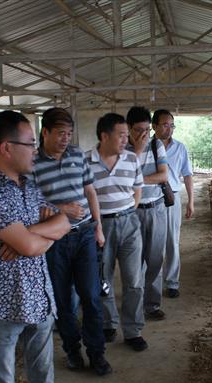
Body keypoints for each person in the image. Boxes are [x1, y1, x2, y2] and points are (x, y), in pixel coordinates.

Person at [0, 110, 71, 383]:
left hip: (38, 296)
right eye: (30, 143)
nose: (36, 150)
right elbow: (31, 247)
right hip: (1, 304)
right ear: (6, 148)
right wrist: (39, 237)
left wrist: (31, 233)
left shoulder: (31, 186)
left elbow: (65, 222)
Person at [31, 107, 111, 375]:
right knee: (64, 299)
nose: (65, 139)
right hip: (54, 240)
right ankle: (73, 351)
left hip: (84, 233)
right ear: (45, 132)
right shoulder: (32, 163)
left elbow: (90, 191)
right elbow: (30, 204)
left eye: (69, 133)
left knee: (91, 295)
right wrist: (61, 208)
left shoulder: (77, 155)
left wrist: (98, 227)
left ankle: (97, 353)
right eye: (60, 133)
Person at [87, 113, 148, 351]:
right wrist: (97, 223)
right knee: (103, 278)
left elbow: (137, 189)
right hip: (100, 226)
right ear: (104, 136)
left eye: (126, 135)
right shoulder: (85, 161)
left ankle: (133, 330)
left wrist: (127, 213)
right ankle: (108, 323)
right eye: (121, 135)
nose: (126, 139)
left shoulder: (131, 159)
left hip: (129, 223)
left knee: (134, 280)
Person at [125, 106, 169, 320]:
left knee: (155, 259)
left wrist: (136, 180)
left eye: (146, 130)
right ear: (128, 128)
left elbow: (163, 176)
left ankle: (152, 305)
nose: (143, 135)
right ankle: (134, 307)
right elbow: (121, 176)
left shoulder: (156, 145)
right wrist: (137, 151)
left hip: (155, 208)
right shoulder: (122, 149)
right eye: (138, 130)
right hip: (131, 211)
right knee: (133, 262)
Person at [152, 109, 194, 298]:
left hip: (172, 197)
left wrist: (191, 201)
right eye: (165, 125)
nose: (169, 129)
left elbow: (187, 175)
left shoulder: (180, 148)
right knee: (153, 243)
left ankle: (172, 282)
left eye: (172, 125)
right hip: (151, 199)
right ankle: (153, 282)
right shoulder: (147, 147)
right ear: (154, 126)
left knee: (172, 240)